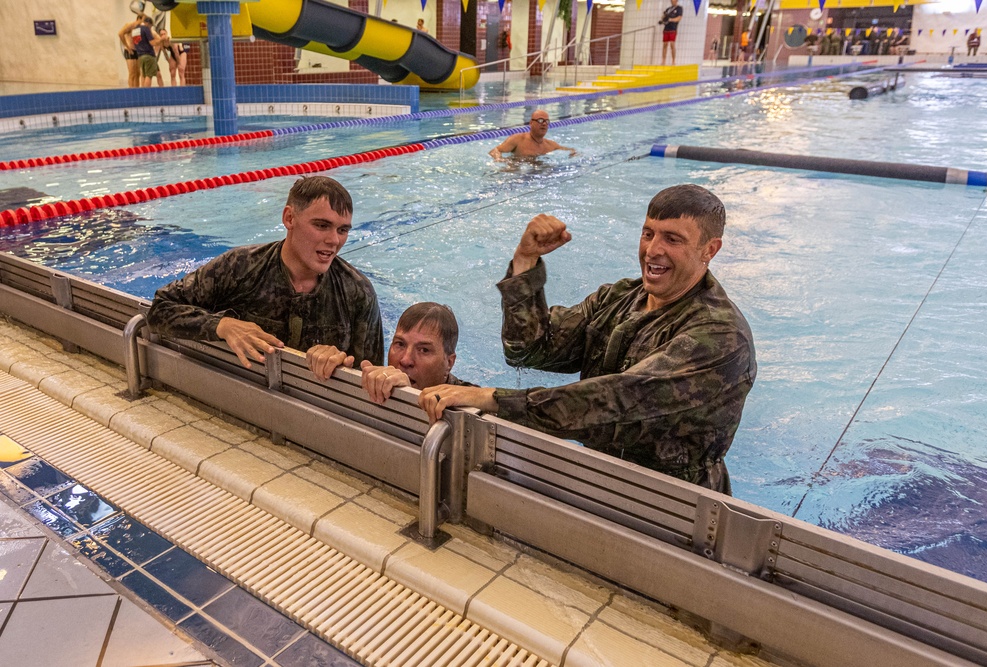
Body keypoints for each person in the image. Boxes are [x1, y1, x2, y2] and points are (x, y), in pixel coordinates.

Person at [418, 185, 757, 494]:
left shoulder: (721, 334)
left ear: (709, 250)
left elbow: (618, 401)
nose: (653, 250)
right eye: (648, 233)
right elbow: (529, 349)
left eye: (672, 239)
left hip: (676, 503)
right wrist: (525, 262)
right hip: (598, 477)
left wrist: (493, 398)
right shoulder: (619, 298)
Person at [148, 176, 384, 378]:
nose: (334, 240)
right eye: (322, 226)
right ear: (289, 218)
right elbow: (160, 309)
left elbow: (371, 377)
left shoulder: (357, 292)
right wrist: (222, 325)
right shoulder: (240, 267)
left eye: (342, 230)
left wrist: (342, 365)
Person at [359, 302, 475, 404]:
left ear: (449, 363)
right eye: (400, 344)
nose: (405, 360)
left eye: (424, 350)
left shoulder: (472, 408)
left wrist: (409, 398)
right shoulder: (376, 381)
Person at [489, 110, 577, 161]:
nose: (544, 124)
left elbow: (571, 150)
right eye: (540, 120)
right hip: (517, 173)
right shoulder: (518, 139)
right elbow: (494, 151)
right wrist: (500, 159)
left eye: (546, 121)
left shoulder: (550, 145)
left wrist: (574, 153)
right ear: (531, 123)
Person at [134, 16, 161, 88]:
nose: (150, 28)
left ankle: (143, 92)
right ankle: (146, 93)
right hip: (148, 55)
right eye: (151, 26)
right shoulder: (146, 29)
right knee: (149, 76)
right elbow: (152, 43)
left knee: (143, 75)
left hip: (140, 55)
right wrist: (161, 40)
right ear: (148, 23)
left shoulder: (135, 30)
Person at [118, 15, 143, 88]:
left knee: (138, 73)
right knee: (132, 73)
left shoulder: (140, 29)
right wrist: (128, 47)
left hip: (137, 51)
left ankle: (137, 91)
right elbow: (120, 34)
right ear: (138, 19)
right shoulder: (129, 25)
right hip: (129, 51)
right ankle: (131, 91)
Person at [659, 0, 683, 66]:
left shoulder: (679, 8)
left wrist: (670, 19)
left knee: (672, 44)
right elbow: (663, 17)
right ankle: (663, 61)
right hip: (666, 28)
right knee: (665, 45)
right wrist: (662, 20)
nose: (672, 1)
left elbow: (679, 18)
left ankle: (673, 61)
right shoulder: (668, 9)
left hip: (673, 29)